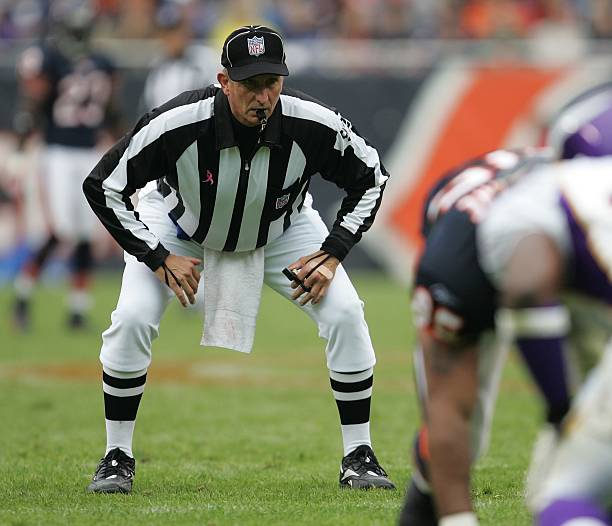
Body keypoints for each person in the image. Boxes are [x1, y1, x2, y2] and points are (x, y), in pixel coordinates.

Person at [82, 25, 395, 494]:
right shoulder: (179, 121)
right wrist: (157, 255)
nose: (262, 96)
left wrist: (333, 252)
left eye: (271, 82)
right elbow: (103, 185)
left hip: (280, 230)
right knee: (131, 318)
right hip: (179, 226)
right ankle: (116, 455)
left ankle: (360, 454)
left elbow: (371, 175)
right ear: (223, 81)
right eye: (249, 84)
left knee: (347, 313)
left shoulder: (311, 122)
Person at [398, 83, 612, 526]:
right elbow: (447, 409)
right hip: (478, 247)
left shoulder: (567, 208)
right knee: (463, 429)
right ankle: (424, 498)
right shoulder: (453, 269)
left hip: (546, 242)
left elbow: (533, 286)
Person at [11, 0, 121, 330]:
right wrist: (21, 143)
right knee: (61, 231)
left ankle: (77, 308)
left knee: (86, 233)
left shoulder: (103, 63)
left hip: (89, 153)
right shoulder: (50, 59)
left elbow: (112, 111)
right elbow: (33, 101)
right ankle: (22, 294)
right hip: (56, 152)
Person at [141, 2, 217, 112]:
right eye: (168, 33)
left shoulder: (204, 59)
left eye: (177, 32)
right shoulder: (156, 66)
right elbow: (149, 104)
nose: (173, 38)